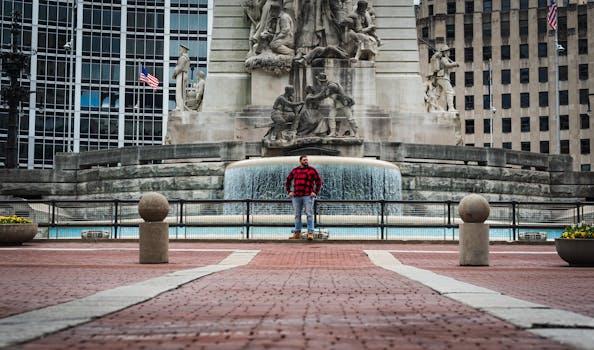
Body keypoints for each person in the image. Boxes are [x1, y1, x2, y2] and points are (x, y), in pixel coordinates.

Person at [285, 155, 322, 240]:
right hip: (296, 196)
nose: (306, 161)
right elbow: (288, 180)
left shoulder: (312, 170)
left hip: (307, 196)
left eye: (307, 160)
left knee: (309, 214)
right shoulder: (295, 170)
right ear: (300, 161)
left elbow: (319, 181)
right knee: (297, 215)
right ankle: (297, 233)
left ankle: (310, 233)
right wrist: (289, 191)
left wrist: (315, 192)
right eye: (304, 160)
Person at [429, 44, 459, 112]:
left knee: (437, 94)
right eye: (448, 51)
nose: (449, 52)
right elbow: (447, 65)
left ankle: (431, 107)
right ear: (445, 52)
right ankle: (451, 108)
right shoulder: (444, 59)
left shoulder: (442, 58)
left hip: (440, 78)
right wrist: (455, 64)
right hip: (443, 77)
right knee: (450, 91)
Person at [173, 44, 190, 111]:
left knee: (180, 91)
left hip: (181, 74)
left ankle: (180, 107)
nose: (179, 51)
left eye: (180, 49)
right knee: (182, 91)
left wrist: (174, 74)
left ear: (183, 50)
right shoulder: (186, 57)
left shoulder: (183, 57)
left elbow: (179, 67)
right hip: (183, 74)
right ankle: (181, 106)